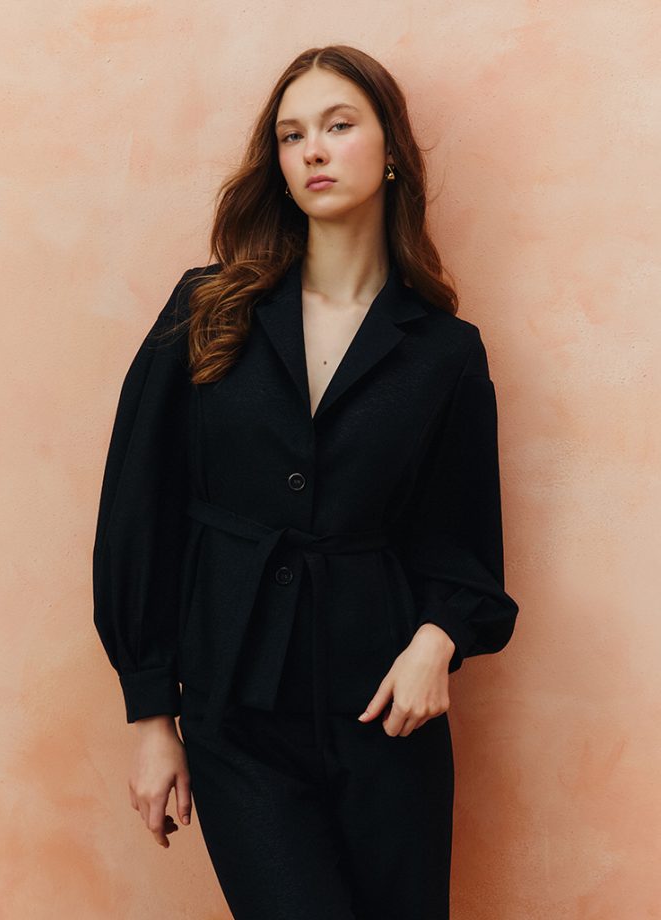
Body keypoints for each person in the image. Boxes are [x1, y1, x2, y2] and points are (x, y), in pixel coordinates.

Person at [92, 44, 519, 920]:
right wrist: (152, 717)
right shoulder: (207, 308)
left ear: (391, 150)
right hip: (234, 714)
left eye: (338, 125)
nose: (313, 149)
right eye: (291, 136)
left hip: (385, 716)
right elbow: (138, 509)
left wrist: (437, 640)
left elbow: (463, 543)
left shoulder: (444, 353)